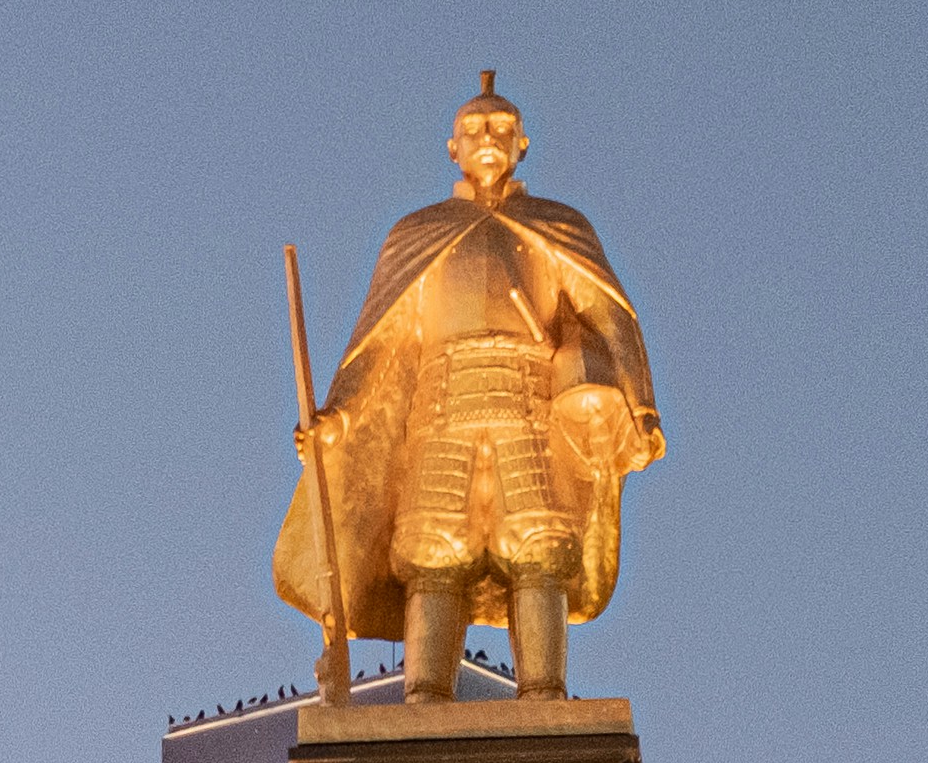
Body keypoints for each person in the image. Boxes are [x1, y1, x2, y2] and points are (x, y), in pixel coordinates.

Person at [280, 77, 664, 702]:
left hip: (530, 407)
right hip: (443, 408)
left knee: (539, 547)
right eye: (474, 128)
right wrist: (341, 414)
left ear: (523, 144)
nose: (488, 137)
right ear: (452, 147)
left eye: (502, 127)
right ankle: (425, 696)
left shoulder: (557, 226)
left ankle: (544, 693)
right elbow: (381, 341)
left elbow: (609, 315)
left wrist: (639, 405)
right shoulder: (420, 231)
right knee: (433, 553)